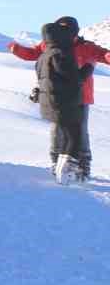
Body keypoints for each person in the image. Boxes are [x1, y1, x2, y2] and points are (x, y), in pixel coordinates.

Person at [10, 18, 107, 177]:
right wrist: (16, 49)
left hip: (81, 96)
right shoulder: (49, 45)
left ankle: (83, 167)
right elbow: (33, 54)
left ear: (74, 31)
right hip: (58, 96)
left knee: (80, 132)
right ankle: (57, 163)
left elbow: (104, 55)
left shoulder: (86, 47)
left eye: (66, 29)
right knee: (57, 131)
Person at [29, 18, 95, 184]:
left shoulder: (45, 54)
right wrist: (88, 68)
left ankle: (60, 168)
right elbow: (74, 79)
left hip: (52, 102)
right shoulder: (60, 54)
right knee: (75, 136)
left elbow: (43, 78)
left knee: (62, 135)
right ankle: (67, 174)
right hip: (65, 102)